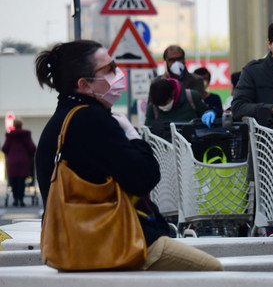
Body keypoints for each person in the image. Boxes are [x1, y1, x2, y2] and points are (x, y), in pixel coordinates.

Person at [33, 40, 222, 271]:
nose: (118, 74)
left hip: (74, 245)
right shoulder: (92, 120)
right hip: (120, 241)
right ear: (84, 84)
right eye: (109, 69)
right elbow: (145, 176)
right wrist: (132, 135)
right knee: (213, 270)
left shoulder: (59, 123)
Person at [144, 77, 215, 131]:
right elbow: (147, 133)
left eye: (165, 103)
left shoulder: (191, 97)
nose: (163, 106)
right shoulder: (153, 108)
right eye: (159, 105)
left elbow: (206, 113)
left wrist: (209, 113)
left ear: (173, 93)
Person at [2, 119, 36, 207]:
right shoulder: (26, 135)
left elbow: (5, 148)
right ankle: (21, 199)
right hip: (24, 161)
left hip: (12, 161)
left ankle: (15, 199)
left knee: (13, 180)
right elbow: (32, 147)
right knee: (21, 180)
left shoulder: (10, 136)